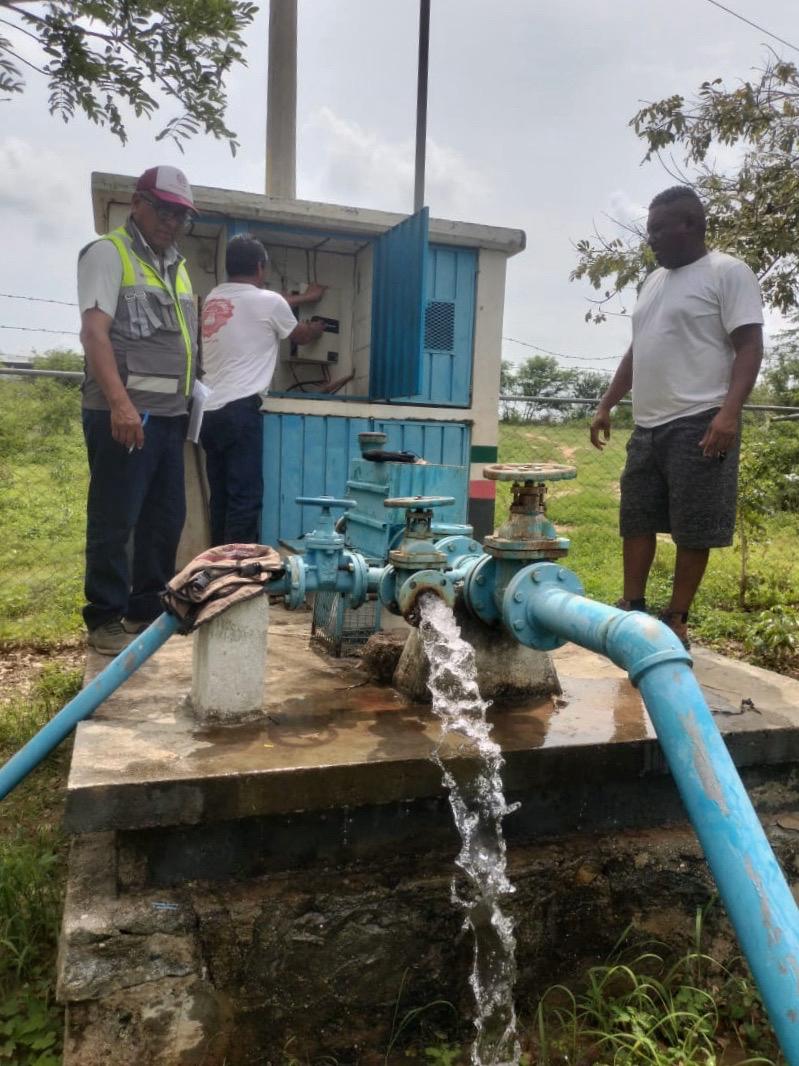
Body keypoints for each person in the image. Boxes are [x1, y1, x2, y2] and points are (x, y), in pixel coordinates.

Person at [589, 185, 764, 648]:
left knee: (695, 526)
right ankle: (632, 607)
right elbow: (638, 349)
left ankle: (677, 618)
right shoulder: (653, 283)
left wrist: (729, 414)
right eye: (650, 231)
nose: (651, 240)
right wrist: (607, 403)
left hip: (702, 418)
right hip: (648, 425)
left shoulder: (727, 272)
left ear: (689, 224)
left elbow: (749, 344)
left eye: (658, 230)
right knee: (637, 518)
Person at [78, 165, 198, 655]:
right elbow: (94, 334)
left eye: (180, 216)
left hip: (169, 416)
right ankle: (104, 616)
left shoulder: (178, 265)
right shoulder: (109, 253)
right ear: (139, 203)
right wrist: (120, 404)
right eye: (165, 211)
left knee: (165, 518)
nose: (172, 223)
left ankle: (146, 606)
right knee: (115, 515)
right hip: (126, 413)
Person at [199, 234, 326, 546]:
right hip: (240, 410)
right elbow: (299, 336)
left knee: (222, 499)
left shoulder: (213, 299)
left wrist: (299, 298)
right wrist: (316, 327)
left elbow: (263, 303)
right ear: (260, 267)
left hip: (208, 412)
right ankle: (235, 576)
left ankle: (216, 569)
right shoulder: (270, 303)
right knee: (245, 498)